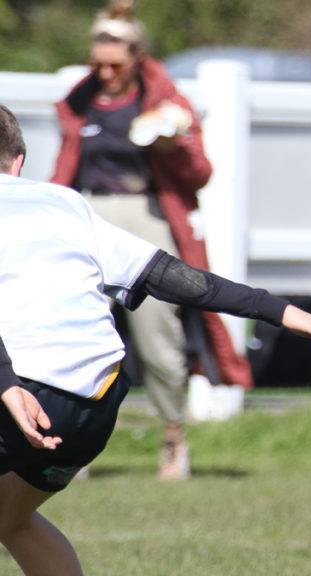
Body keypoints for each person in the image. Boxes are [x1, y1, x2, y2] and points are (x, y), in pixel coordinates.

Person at [0, 103, 311, 576]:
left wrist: (7, 381)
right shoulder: (63, 203)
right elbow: (173, 276)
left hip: (21, 392)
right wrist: (281, 312)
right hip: (92, 401)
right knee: (11, 519)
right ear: (19, 162)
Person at [50, 0, 251, 480]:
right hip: (89, 212)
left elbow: (200, 173)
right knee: (75, 325)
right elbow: (65, 169)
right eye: (97, 62)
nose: (104, 72)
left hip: (146, 215)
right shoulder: (80, 102)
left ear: (137, 56)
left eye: (115, 63)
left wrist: (170, 145)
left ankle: (173, 435)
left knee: (158, 329)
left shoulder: (165, 102)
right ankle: (69, 443)